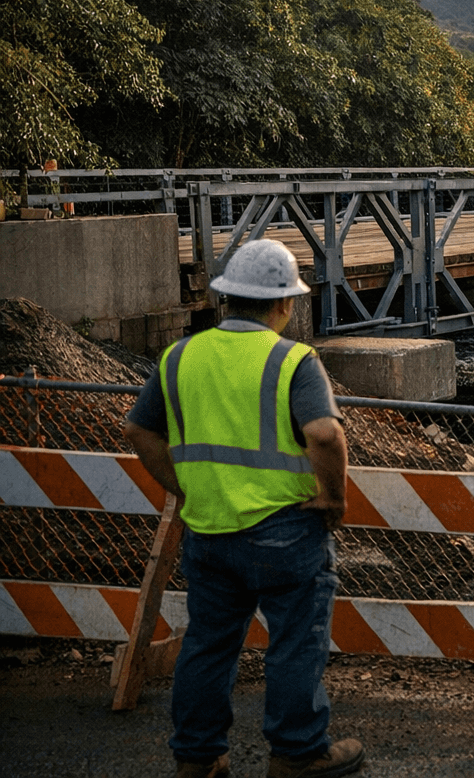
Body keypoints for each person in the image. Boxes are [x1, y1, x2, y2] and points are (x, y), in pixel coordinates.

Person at [123, 239, 364, 778]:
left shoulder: (179, 357)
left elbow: (138, 430)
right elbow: (325, 434)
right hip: (286, 530)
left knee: (208, 646)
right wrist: (333, 497)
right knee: (295, 644)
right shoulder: (293, 360)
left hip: (209, 530)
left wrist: (185, 487)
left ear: (227, 298)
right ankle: (298, 753)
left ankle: (198, 758)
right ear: (284, 304)